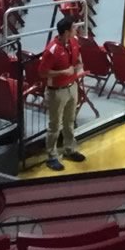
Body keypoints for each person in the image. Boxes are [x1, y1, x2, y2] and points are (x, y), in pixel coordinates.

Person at [34, 11, 87, 171]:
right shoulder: (52, 50)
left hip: (72, 88)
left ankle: (69, 150)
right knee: (55, 125)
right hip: (57, 91)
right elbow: (42, 72)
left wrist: (78, 64)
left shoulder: (74, 42)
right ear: (65, 32)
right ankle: (51, 156)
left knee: (70, 121)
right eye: (73, 29)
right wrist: (62, 72)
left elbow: (78, 57)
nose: (76, 31)